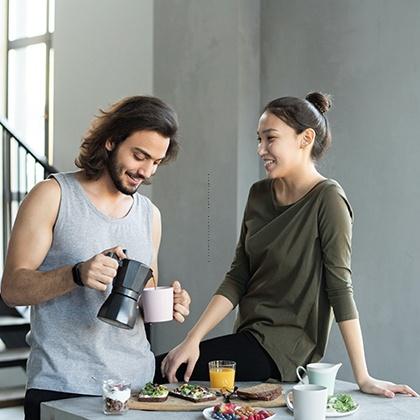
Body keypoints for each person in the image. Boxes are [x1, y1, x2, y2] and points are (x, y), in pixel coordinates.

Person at [155, 92, 418, 399]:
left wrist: (363, 376)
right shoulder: (258, 195)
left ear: (305, 138)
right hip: (249, 338)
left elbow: (340, 288)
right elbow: (238, 277)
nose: (260, 149)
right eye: (258, 139)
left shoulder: (328, 199)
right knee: (169, 367)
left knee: (159, 369)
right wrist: (193, 339)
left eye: (270, 139)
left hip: (284, 352)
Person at [0, 95, 191, 419]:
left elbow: (144, 295)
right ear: (111, 140)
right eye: (139, 156)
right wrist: (75, 274)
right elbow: (12, 288)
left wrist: (169, 301)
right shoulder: (53, 195)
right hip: (62, 386)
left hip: (137, 389)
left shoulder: (150, 215)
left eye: (156, 162)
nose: (145, 171)